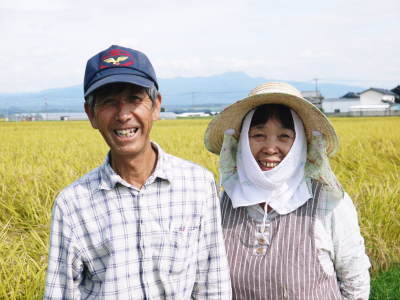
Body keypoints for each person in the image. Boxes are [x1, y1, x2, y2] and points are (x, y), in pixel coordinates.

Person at [44, 45, 231, 299]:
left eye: (134, 99)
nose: (123, 115)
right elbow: (61, 293)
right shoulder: (73, 204)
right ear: (91, 115)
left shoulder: (198, 185)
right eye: (109, 102)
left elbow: (213, 285)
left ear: (156, 107)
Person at [204, 82, 371, 299]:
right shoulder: (224, 201)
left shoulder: (327, 202)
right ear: (243, 141)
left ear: (301, 142)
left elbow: (355, 279)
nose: (270, 148)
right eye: (258, 136)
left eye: (284, 136)